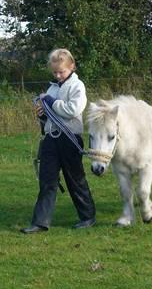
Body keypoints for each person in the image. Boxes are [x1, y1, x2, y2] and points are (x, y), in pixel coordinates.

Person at [21, 49, 96, 233]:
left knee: (75, 180)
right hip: (51, 140)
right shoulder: (52, 87)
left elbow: (72, 110)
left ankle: (87, 217)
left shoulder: (77, 87)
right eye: (54, 72)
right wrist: (42, 115)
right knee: (47, 180)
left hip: (70, 139)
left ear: (71, 67)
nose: (57, 75)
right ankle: (40, 222)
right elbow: (50, 116)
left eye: (61, 71)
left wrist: (51, 102)